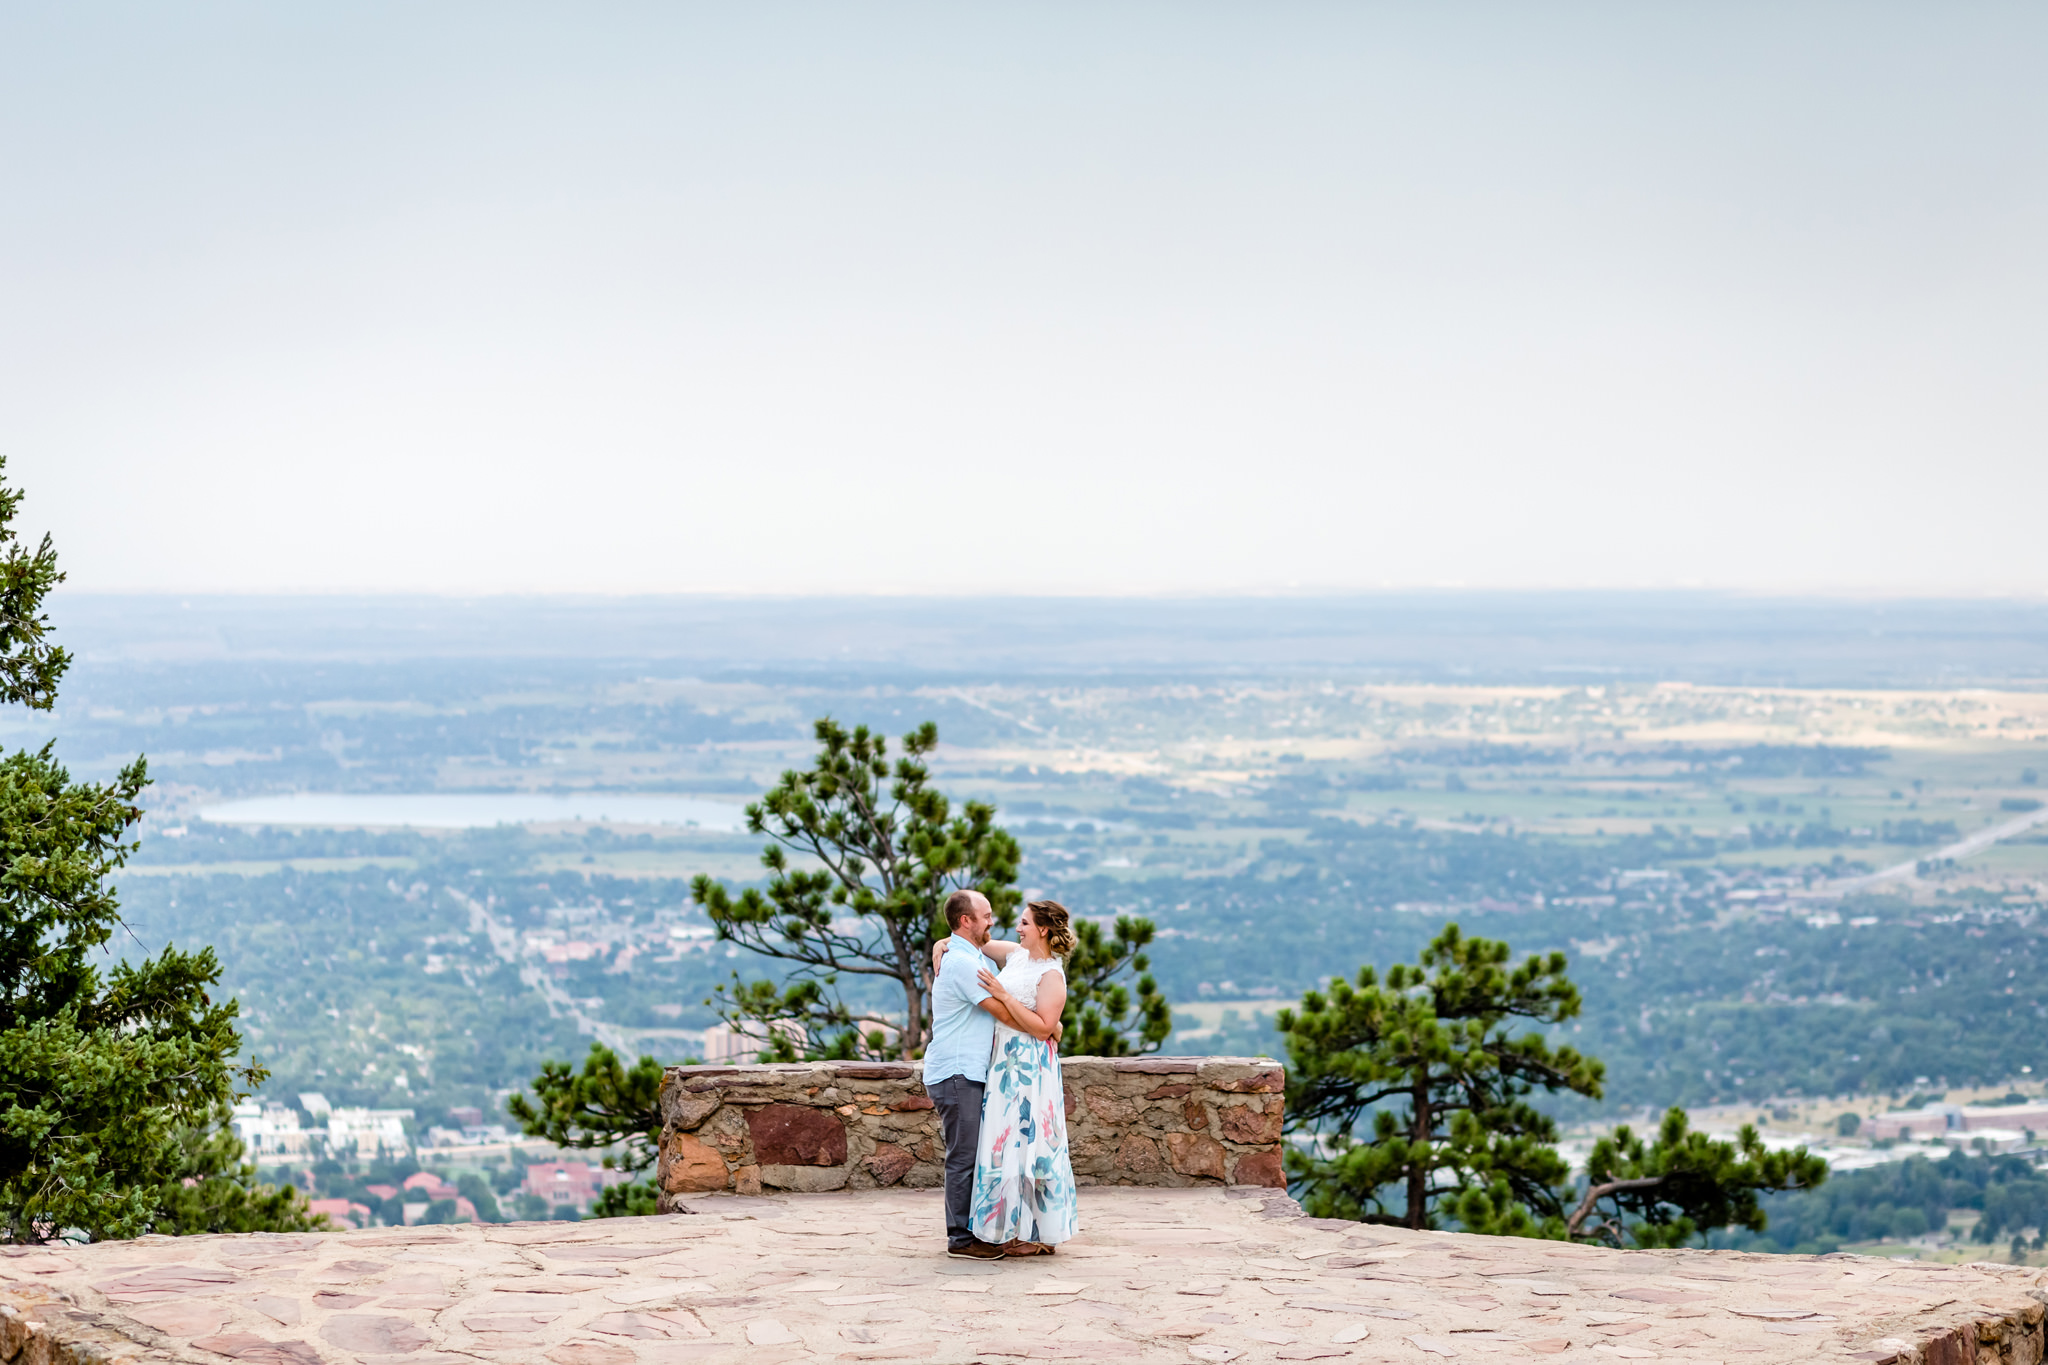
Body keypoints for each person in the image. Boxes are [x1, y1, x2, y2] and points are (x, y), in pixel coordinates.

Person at [966, 899, 1079, 1256]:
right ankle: (1006, 1227)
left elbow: (1045, 1027)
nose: (1018, 928)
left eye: (1025, 923)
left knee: (1029, 1145)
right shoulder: (1016, 955)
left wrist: (1002, 996)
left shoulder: (1051, 975)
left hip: (1030, 1068)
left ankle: (1034, 1233)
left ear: (1043, 930)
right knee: (1005, 1142)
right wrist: (943, 943)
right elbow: (978, 941)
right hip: (1004, 1063)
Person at [923, 888, 1011, 1260]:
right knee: (964, 1156)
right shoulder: (962, 964)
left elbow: (1018, 954)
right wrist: (1044, 1027)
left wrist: (942, 940)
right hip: (957, 1072)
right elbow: (1002, 1012)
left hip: (966, 1071)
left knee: (971, 1154)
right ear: (966, 920)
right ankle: (960, 1238)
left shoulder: (967, 954)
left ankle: (974, 1230)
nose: (992, 921)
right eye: (986, 916)